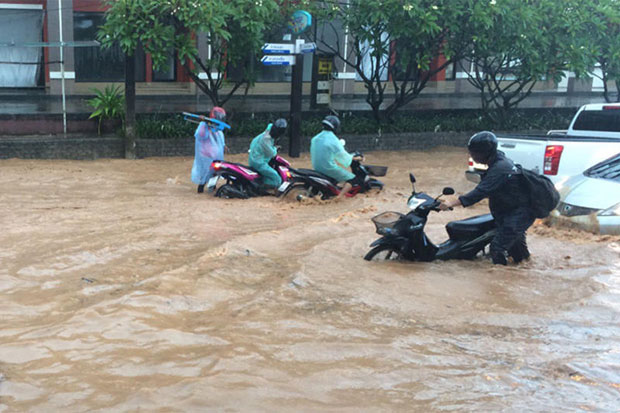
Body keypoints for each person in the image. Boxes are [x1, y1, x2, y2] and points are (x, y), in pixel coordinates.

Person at [440, 131, 535, 265]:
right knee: (518, 251)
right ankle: (525, 268)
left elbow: (480, 192)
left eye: (473, 153)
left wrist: (451, 203)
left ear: (484, 152)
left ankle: (501, 280)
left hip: (519, 214)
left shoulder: (500, 168)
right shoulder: (497, 161)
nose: (471, 156)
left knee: (497, 248)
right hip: (509, 212)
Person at [310, 115, 364, 200]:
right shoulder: (333, 140)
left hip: (317, 167)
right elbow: (343, 156)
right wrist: (356, 158)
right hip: (327, 168)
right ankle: (339, 198)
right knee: (353, 179)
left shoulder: (316, 138)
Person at [191, 107, 227, 193]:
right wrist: (203, 123)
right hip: (206, 156)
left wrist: (224, 146)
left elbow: (220, 140)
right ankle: (201, 189)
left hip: (216, 156)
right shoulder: (205, 126)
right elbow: (201, 135)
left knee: (216, 172)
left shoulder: (218, 129)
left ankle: (212, 188)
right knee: (205, 174)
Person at [248, 118, 288, 191]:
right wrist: (275, 149)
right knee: (277, 179)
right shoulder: (266, 139)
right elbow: (272, 154)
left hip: (256, 159)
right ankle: (261, 188)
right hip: (259, 162)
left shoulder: (266, 134)